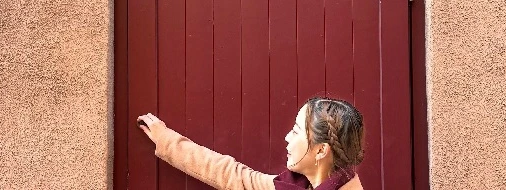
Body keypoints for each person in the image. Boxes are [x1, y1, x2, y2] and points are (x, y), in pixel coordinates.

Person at [137, 96, 365, 190]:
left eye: (296, 131)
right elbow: (231, 174)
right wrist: (166, 139)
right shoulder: (292, 187)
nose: (287, 137)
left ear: (321, 150)